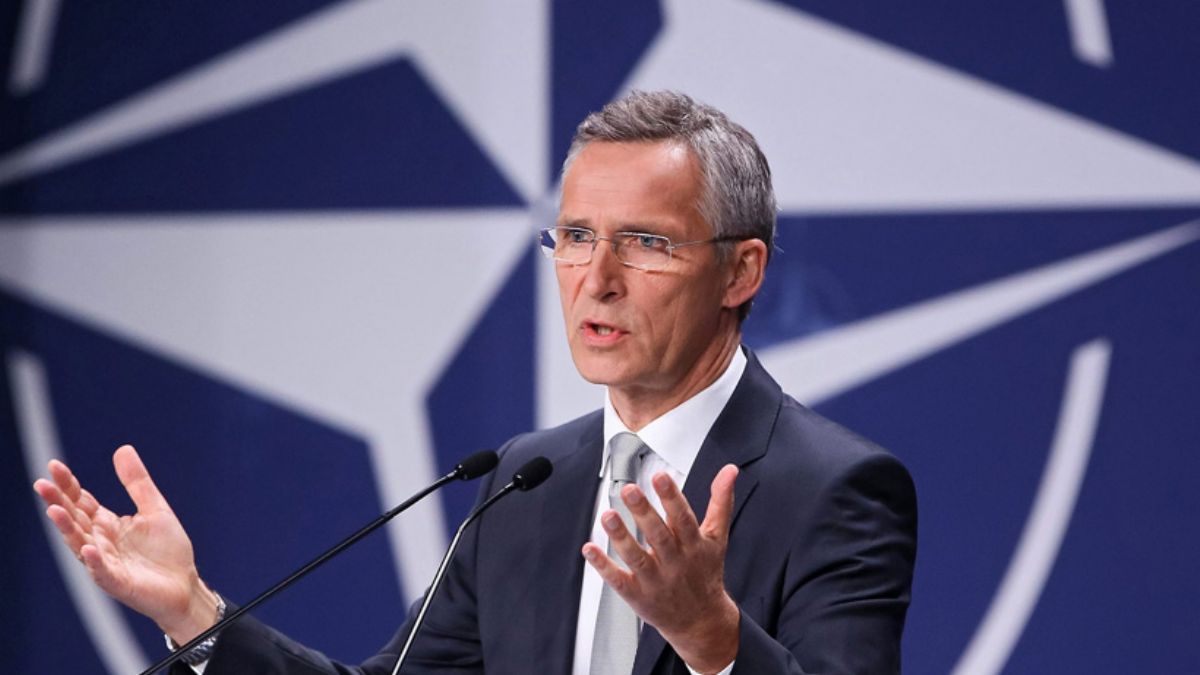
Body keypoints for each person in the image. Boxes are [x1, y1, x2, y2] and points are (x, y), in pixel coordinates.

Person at [33, 90, 917, 674]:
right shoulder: (529, 482)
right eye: (576, 236)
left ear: (741, 270)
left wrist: (712, 638)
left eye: (646, 243)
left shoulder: (835, 488)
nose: (597, 278)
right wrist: (195, 611)